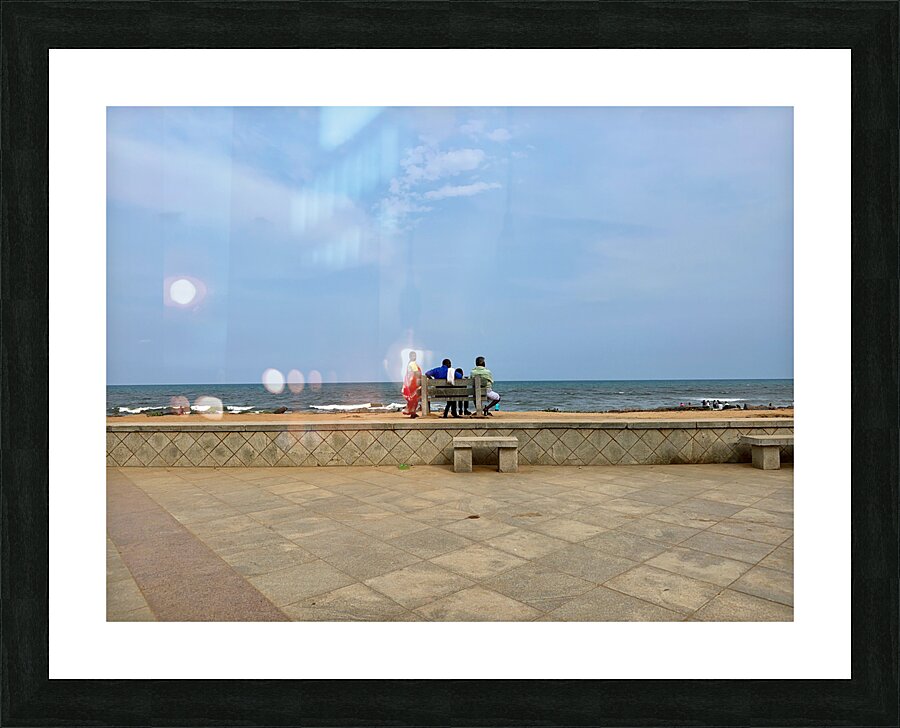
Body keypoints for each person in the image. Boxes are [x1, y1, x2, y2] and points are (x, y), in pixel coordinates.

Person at [401, 351, 422, 418]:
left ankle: (413, 412)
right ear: (410, 357)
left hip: (411, 382)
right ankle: (412, 412)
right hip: (413, 383)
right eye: (413, 356)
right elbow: (416, 373)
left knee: (413, 398)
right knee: (414, 398)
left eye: (415, 356)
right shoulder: (412, 364)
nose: (414, 357)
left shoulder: (410, 363)